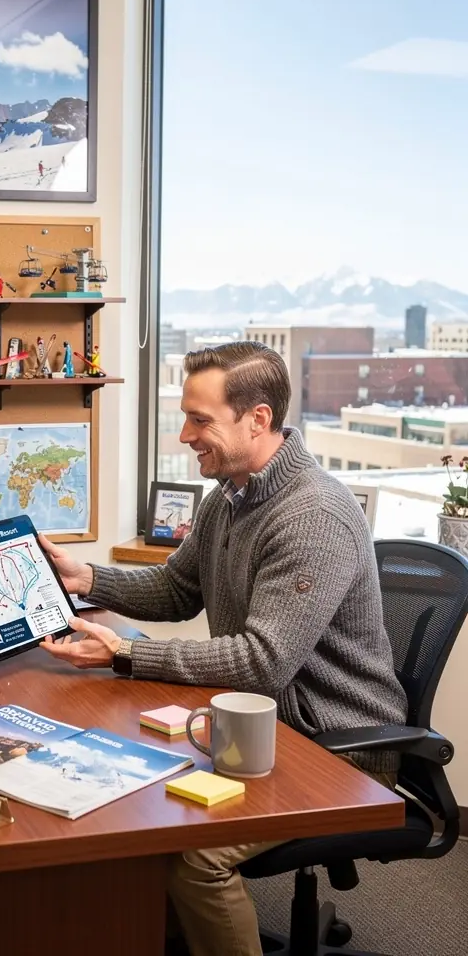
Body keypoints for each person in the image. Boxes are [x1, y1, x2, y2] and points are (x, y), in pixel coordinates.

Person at [38, 340, 407, 956]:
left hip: (335, 743)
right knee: (133, 801)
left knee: (196, 859)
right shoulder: (229, 497)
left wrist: (126, 655)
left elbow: (262, 661)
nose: (184, 434)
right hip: (260, 723)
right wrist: (87, 579)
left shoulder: (313, 515)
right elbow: (176, 589)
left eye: (200, 420)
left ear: (258, 419)